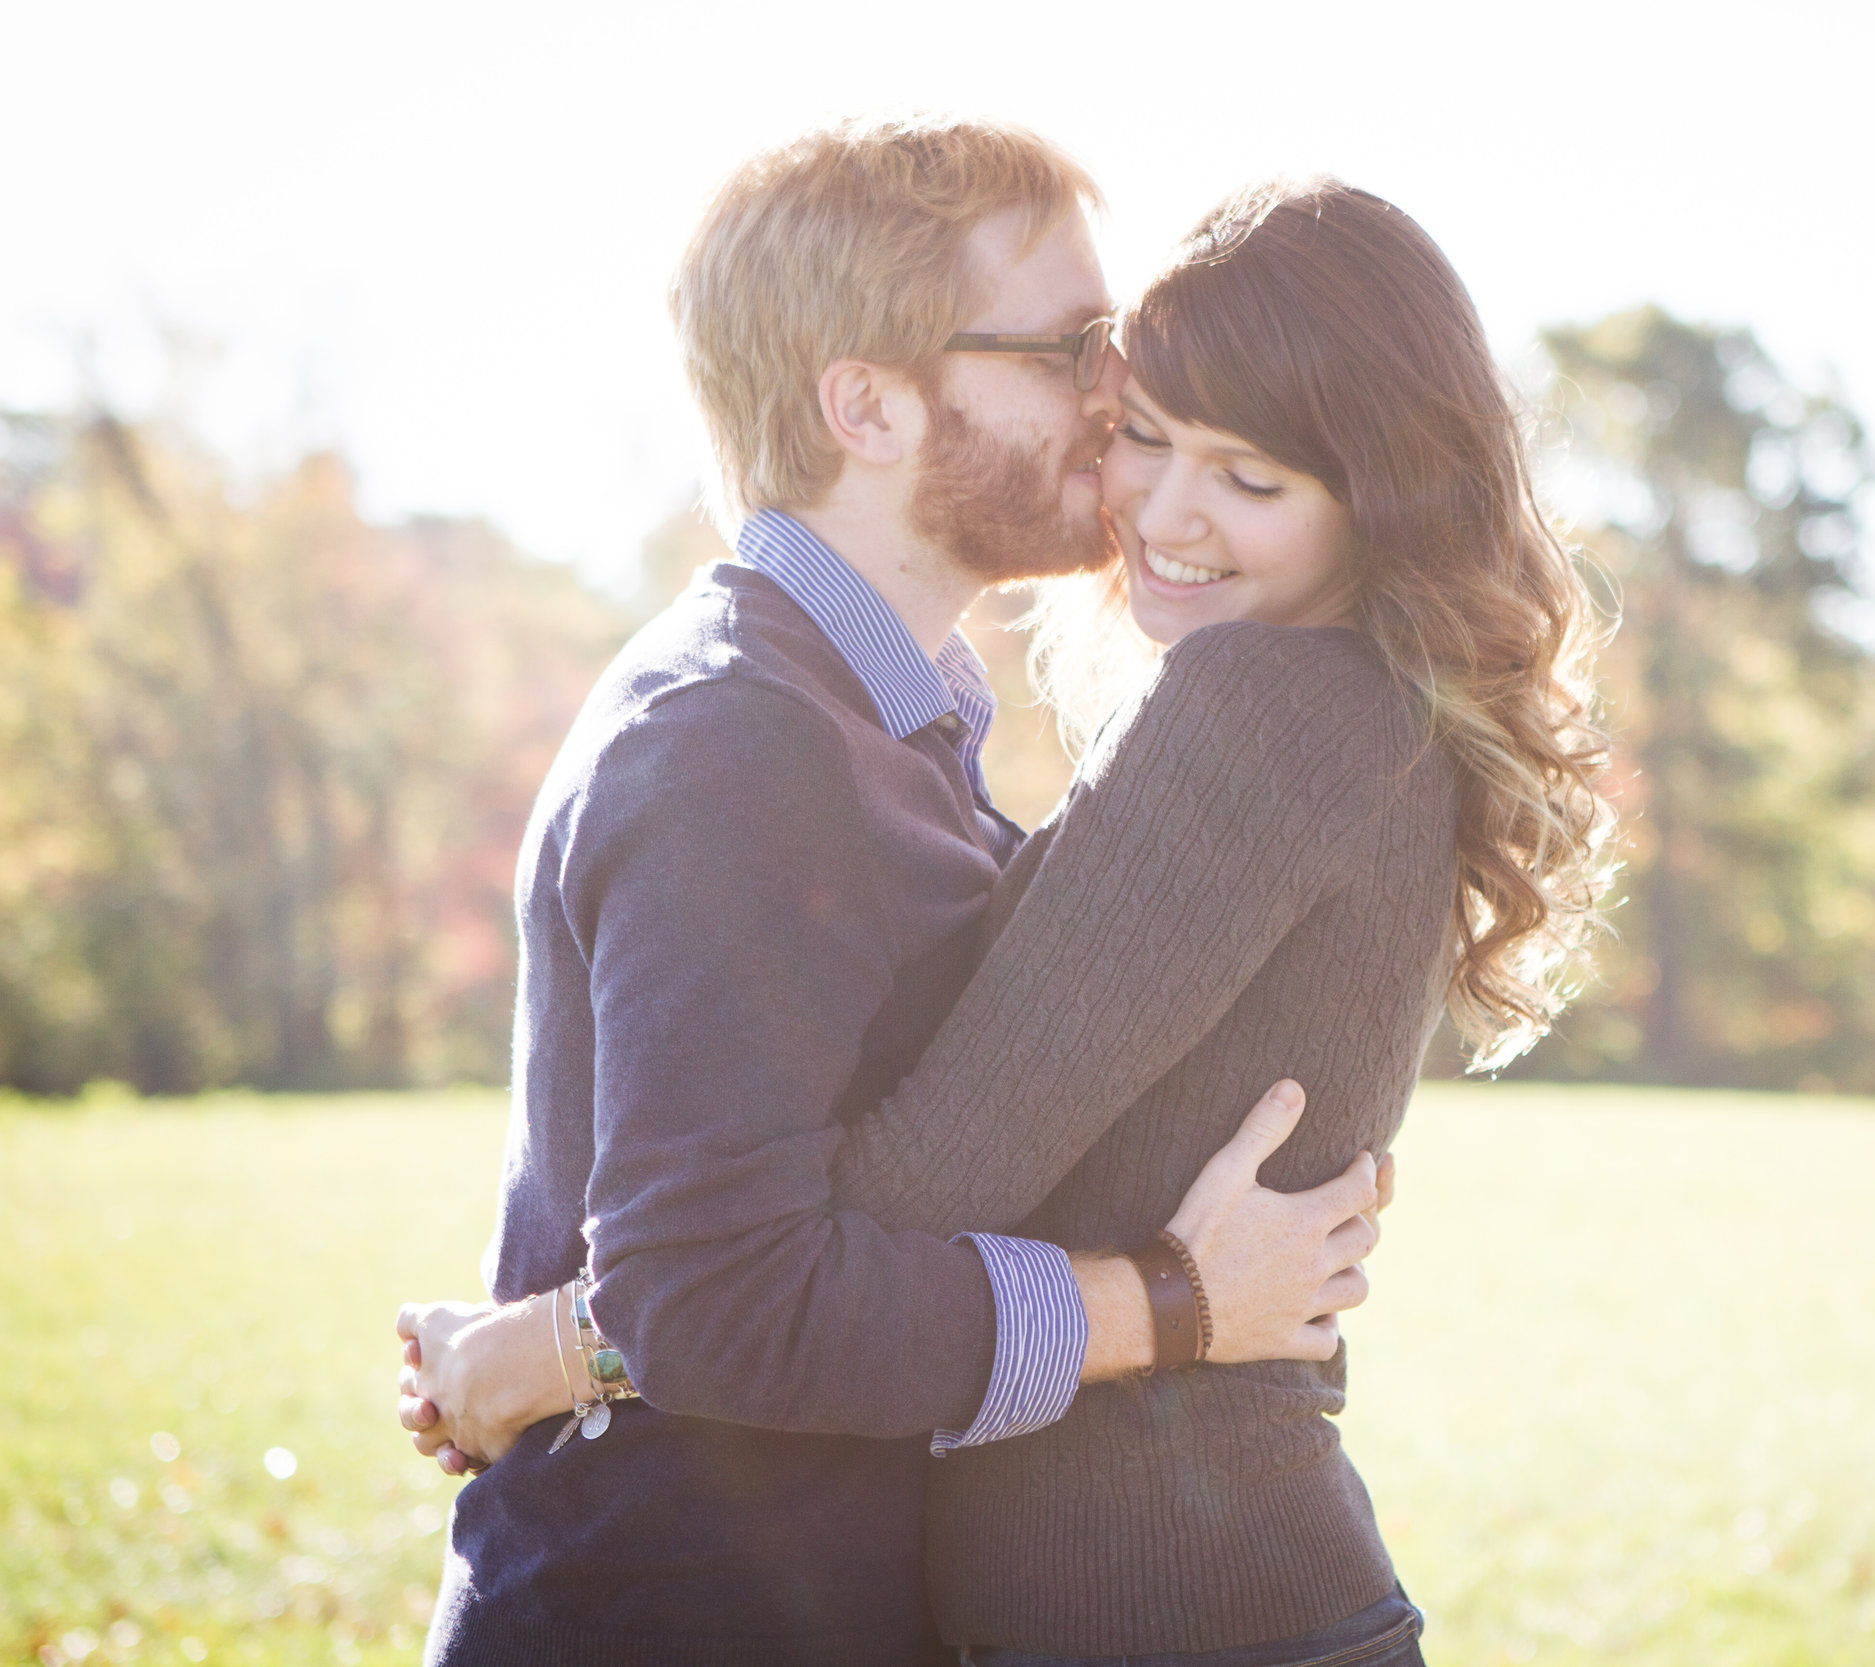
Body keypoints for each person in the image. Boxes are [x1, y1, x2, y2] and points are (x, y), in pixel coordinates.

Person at [394, 119, 1396, 1667]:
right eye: (1070, 347)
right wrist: (1175, 1306)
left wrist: (533, 1349)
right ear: (866, 404)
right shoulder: (736, 745)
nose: (1116, 393)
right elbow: (718, 1300)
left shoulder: (890, 715)